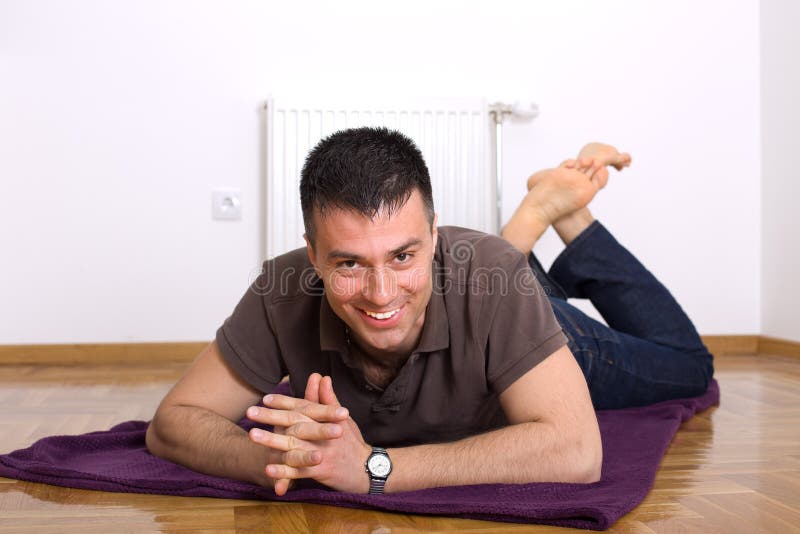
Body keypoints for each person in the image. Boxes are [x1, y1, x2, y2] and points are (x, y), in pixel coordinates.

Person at [145, 128, 713, 496]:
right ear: (312, 255)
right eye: (349, 263)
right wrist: (281, 459)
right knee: (490, 272)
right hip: (486, 284)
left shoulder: (492, 282)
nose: (380, 293)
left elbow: (578, 451)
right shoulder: (282, 287)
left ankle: (565, 218)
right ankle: (517, 239)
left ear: (434, 236)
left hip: (536, 328)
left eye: (403, 255)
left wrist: (374, 469)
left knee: (689, 366)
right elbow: (173, 422)